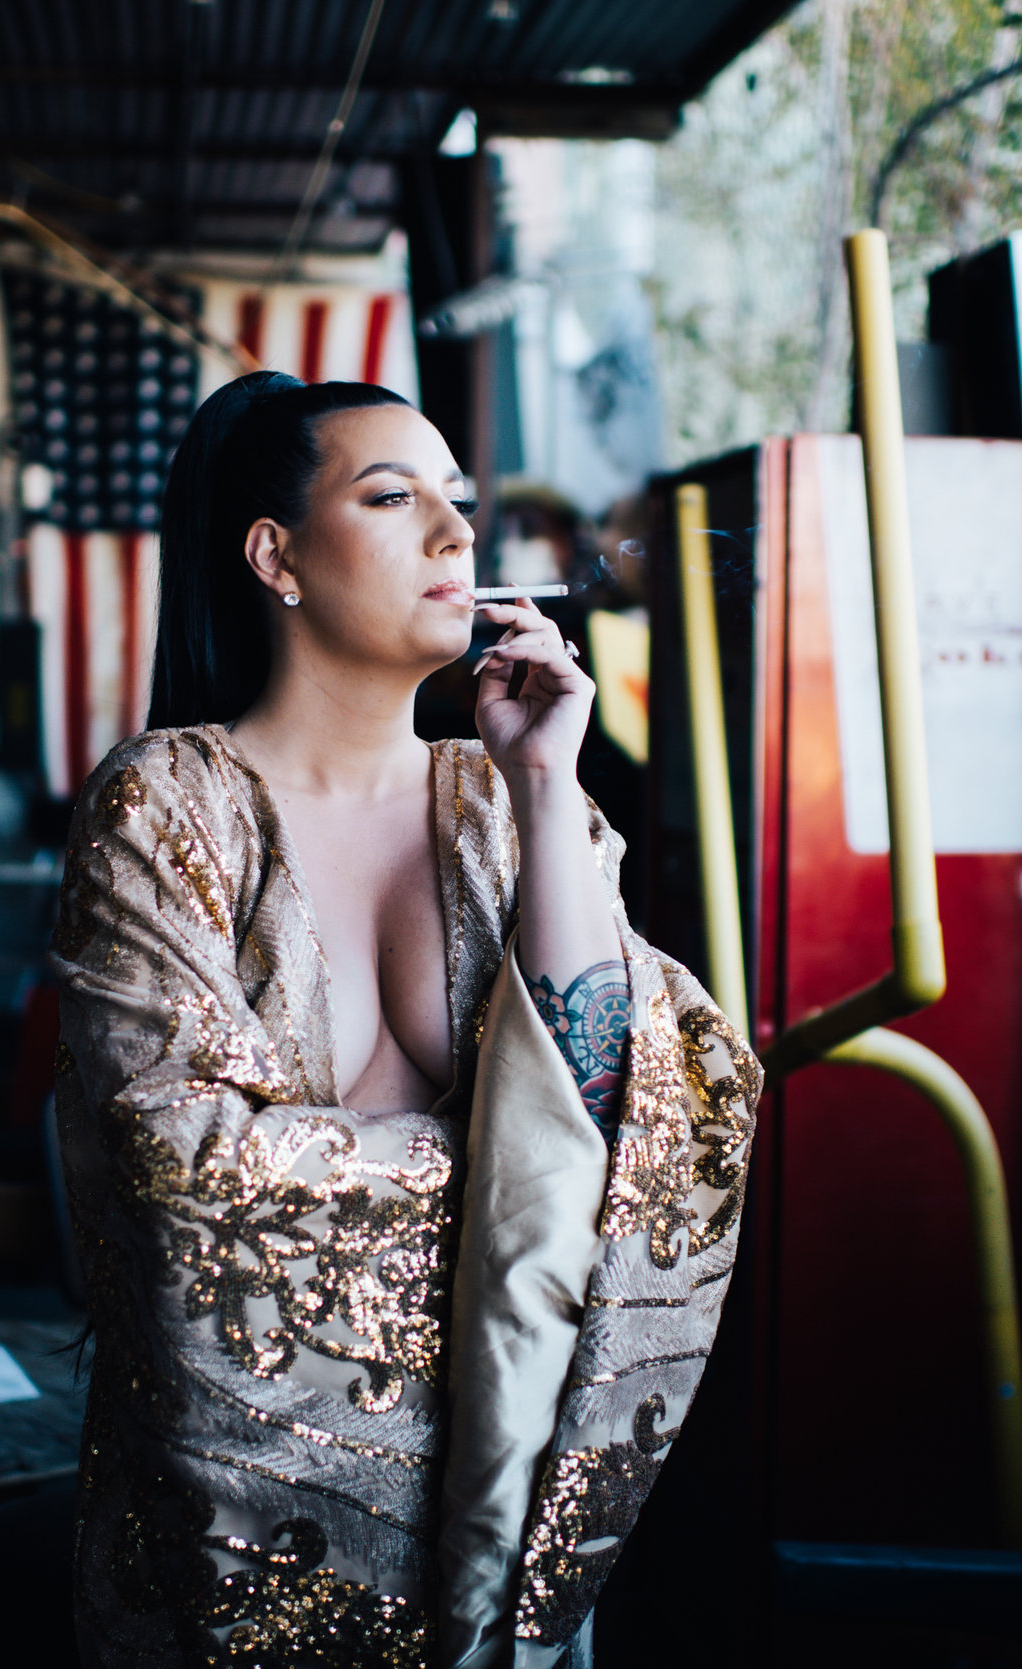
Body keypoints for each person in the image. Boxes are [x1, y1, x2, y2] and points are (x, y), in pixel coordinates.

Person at [50, 372, 758, 1668]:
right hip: (224, 1537)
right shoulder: (165, 803)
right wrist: (502, 1185)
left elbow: (626, 1127)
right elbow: (182, 1182)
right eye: (392, 497)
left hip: (495, 1519)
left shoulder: (498, 806)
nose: (453, 534)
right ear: (275, 557)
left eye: (459, 502)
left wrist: (547, 782)